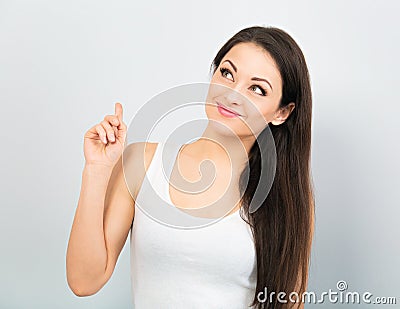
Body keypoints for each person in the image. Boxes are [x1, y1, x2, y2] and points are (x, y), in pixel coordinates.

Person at [66, 25, 315, 309]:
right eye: (227, 73)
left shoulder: (285, 200)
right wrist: (97, 169)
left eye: (256, 89)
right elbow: (84, 281)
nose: (233, 94)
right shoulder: (142, 164)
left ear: (282, 112)